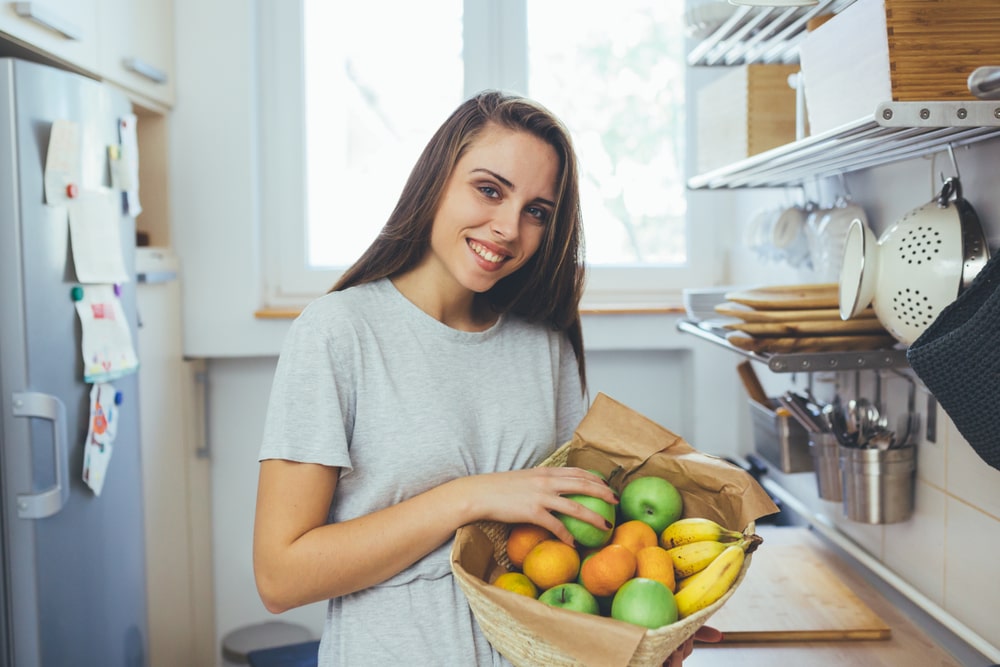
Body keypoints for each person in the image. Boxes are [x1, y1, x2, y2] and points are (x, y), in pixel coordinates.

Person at [253, 90, 717, 666]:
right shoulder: (337, 332)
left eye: (536, 211)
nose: (507, 227)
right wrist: (468, 496)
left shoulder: (543, 345)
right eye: (490, 190)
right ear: (437, 180)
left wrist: (639, 618)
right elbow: (280, 576)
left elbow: (560, 545)